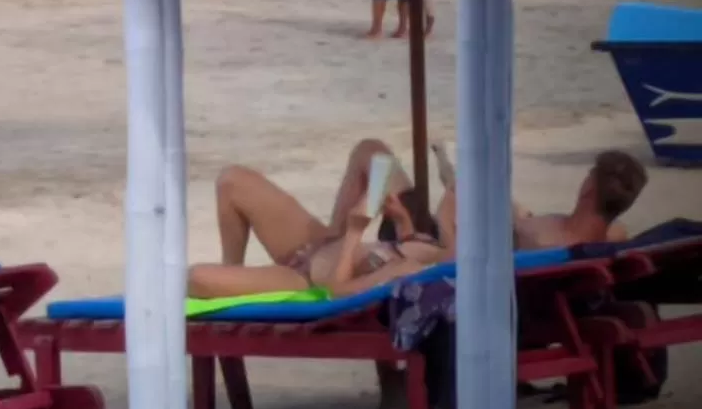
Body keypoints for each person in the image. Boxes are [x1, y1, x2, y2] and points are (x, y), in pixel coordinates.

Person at [191, 139, 448, 300]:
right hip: (322, 244)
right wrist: (403, 221)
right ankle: (232, 271)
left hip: (304, 279)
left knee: (197, 278)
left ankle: (229, 286)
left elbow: (337, 292)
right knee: (231, 180)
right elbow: (405, 244)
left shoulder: (408, 271)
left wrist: (354, 233)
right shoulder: (435, 251)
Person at [430, 143, 648, 250]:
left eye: (589, 175)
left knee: (457, 192)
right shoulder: (616, 234)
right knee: (477, 187)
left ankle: (445, 163)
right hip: (520, 222)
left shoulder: (541, 242)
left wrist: (445, 221)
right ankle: (447, 161)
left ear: (589, 189)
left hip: (483, 245)